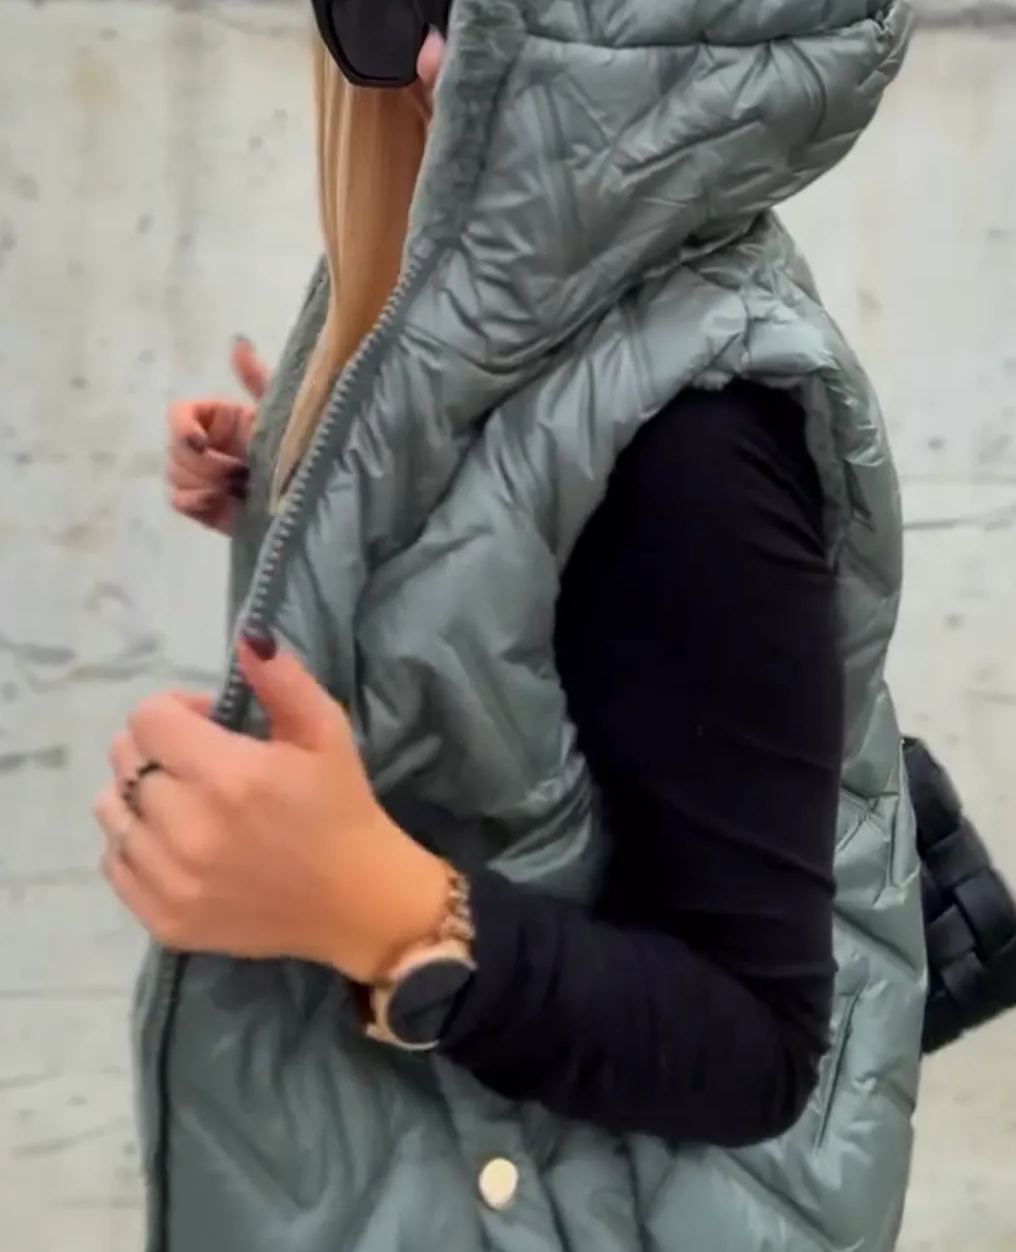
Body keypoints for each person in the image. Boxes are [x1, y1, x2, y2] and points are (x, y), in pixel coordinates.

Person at [93, 2, 926, 1250]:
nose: (435, 57)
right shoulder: (484, 304)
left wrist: (379, 910)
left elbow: (754, 1046)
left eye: (482, 12)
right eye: (384, 9)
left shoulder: (698, 439)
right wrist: (309, 493)